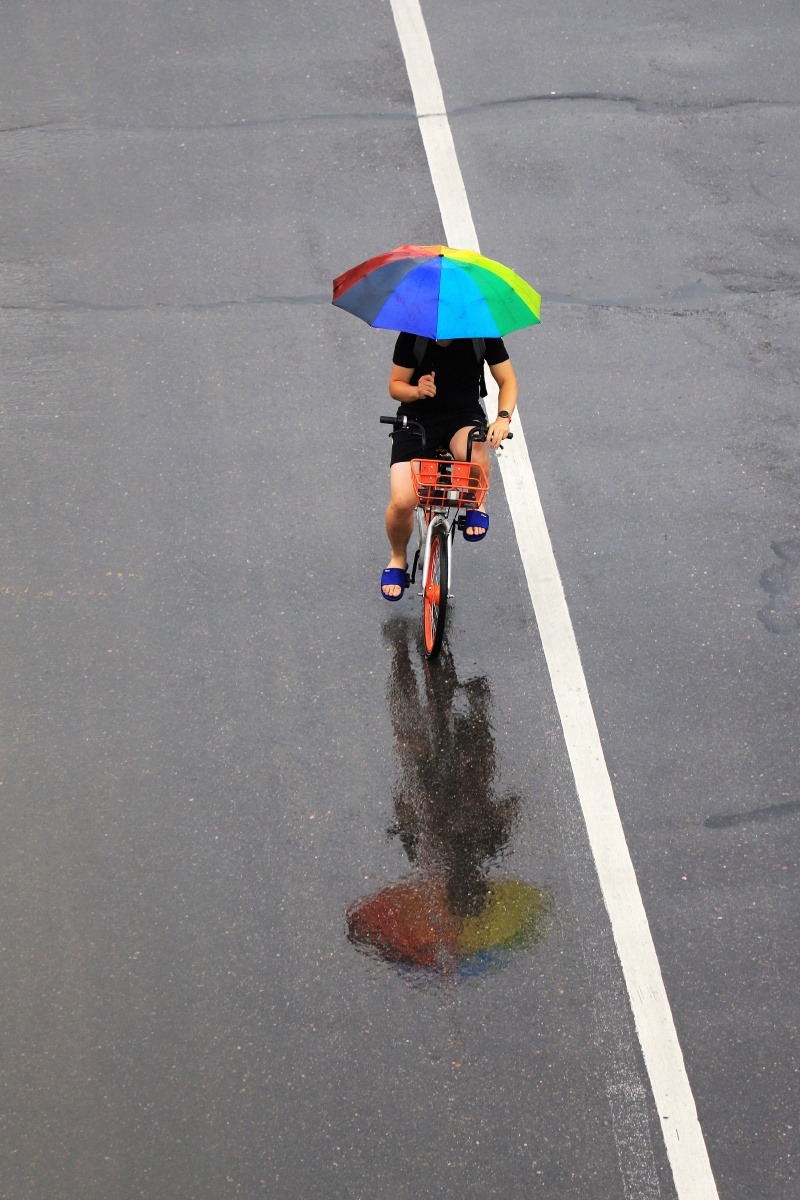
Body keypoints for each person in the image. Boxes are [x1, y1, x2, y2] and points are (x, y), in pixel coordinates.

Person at [381, 334, 518, 599]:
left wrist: (502, 419)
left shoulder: (482, 331)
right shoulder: (414, 334)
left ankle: (477, 501)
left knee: (475, 449)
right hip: (416, 419)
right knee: (402, 501)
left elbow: (507, 380)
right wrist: (416, 391)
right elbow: (395, 385)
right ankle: (398, 557)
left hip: (463, 417)